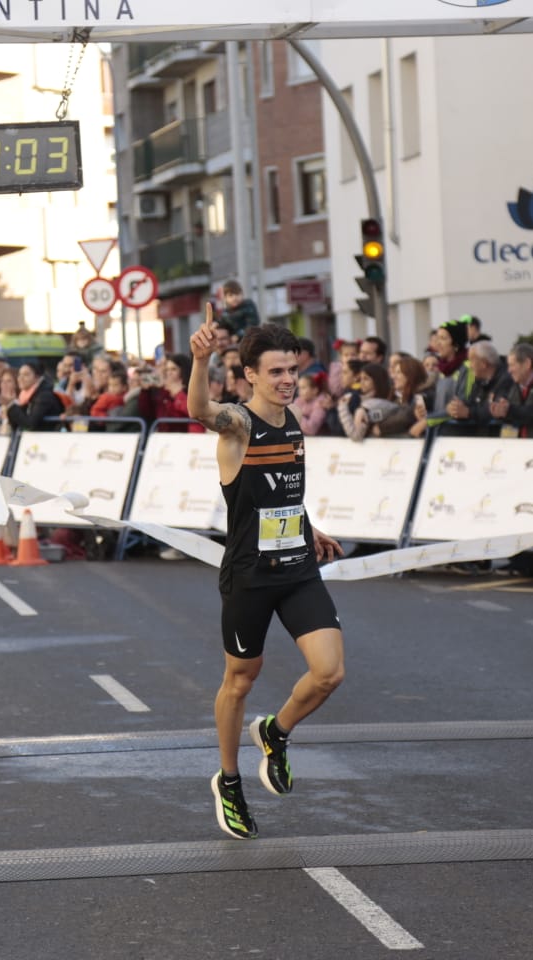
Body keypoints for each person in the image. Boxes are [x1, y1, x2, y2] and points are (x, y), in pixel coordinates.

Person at [187, 311, 346, 841]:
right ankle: (228, 780)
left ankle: (275, 733)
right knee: (240, 679)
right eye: (276, 371)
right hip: (250, 576)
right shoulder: (239, 425)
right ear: (250, 375)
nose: (287, 380)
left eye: (292, 370)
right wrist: (200, 358)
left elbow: (283, 495)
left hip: (298, 568)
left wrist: (311, 526)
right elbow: (199, 409)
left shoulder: (293, 421)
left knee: (329, 673)